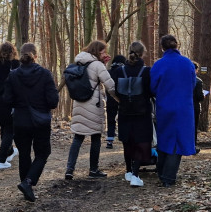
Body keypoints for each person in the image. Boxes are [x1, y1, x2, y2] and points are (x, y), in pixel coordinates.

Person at [2, 43, 59, 202]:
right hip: (40, 121)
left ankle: (26, 186)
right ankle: (28, 182)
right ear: (36, 55)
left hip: (20, 120)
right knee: (43, 153)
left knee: (24, 154)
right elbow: (53, 101)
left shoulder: (13, 75)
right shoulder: (45, 75)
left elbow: (7, 100)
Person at [64, 40, 117, 180]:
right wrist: (120, 100)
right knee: (96, 137)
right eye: (103, 51)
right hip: (93, 105)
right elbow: (110, 86)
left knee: (78, 137)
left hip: (79, 104)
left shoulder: (78, 62)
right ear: (97, 51)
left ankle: (69, 169)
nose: (105, 54)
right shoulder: (97, 65)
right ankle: (93, 169)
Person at [148, 34, 197, 186]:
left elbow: (152, 87)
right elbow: (193, 84)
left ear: (162, 47)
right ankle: (168, 178)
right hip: (184, 109)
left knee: (164, 139)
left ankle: (162, 174)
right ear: (177, 46)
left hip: (165, 107)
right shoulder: (187, 63)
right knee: (178, 141)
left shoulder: (159, 64)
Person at [110, 42, 151, 187]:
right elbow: (151, 91)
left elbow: (112, 89)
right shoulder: (147, 71)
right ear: (143, 53)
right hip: (142, 112)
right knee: (141, 141)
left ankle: (128, 170)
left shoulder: (119, 71)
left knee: (128, 141)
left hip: (124, 111)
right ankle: (135, 174)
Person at [0, 42, 19, 169]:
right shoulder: (15, 65)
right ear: (13, 52)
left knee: (4, 128)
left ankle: (9, 152)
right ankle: (1, 159)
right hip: (9, 102)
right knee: (9, 130)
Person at [105, 54, 127, 149]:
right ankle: (123, 138)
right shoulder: (124, 71)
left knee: (111, 119)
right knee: (123, 119)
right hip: (123, 99)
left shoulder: (109, 72)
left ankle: (110, 140)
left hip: (111, 98)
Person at [193, 74, 205, 151]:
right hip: (194, 106)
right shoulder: (198, 81)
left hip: (182, 106)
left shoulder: (180, 79)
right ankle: (192, 146)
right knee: (194, 126)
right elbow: (199, 96)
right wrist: (203, 95)